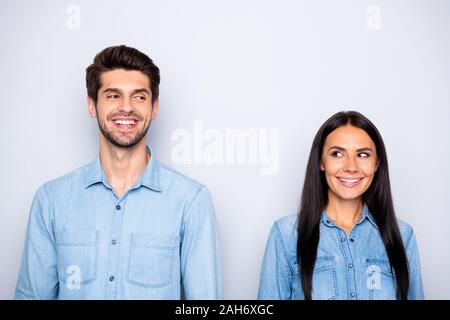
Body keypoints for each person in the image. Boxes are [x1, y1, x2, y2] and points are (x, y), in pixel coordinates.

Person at [15, 45, 222, 299]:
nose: (126, 107)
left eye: (139, 97)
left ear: (154, 108)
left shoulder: (191, 201)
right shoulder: (51, 200)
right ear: (92, 105)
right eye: (113, 96)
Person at [258, 111, 424, 300]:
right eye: (337, 154)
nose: (351, 166)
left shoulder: (402, 235)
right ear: (321, 161)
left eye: (363, 154)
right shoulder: (286, 234)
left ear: (377, 164)